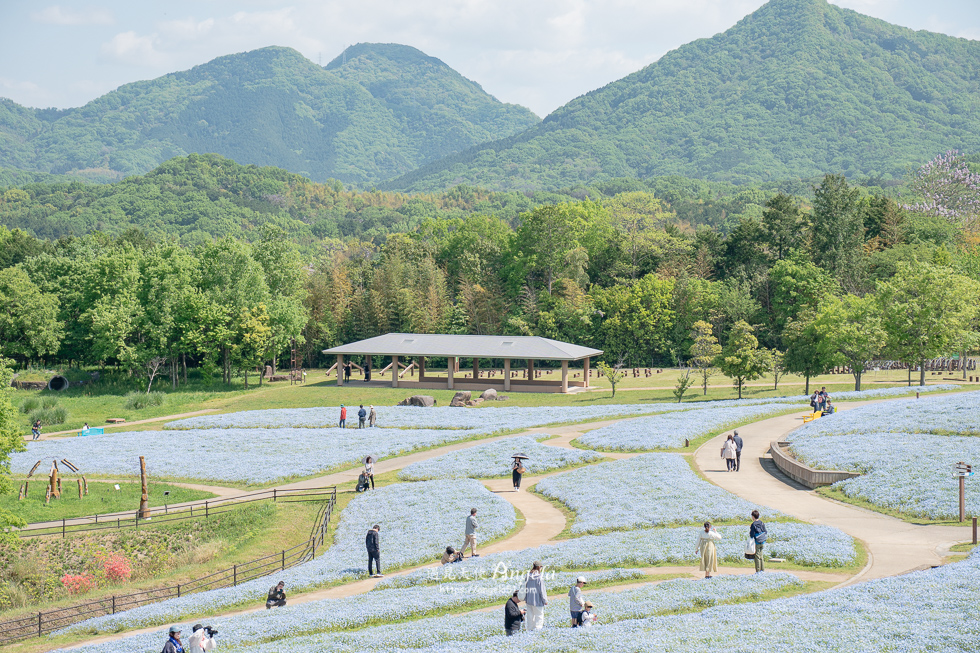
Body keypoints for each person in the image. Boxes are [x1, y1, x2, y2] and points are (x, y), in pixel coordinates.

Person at [523, 561, 548, 631]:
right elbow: (542, 590)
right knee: (539, 617)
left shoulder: (527, 576)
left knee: (530, 617)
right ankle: (537, 632)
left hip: (529, 600)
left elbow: (525, 587)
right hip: (537, 600)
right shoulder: (539, 577)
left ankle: (530, 631)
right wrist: (545, 600)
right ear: (539, 567)